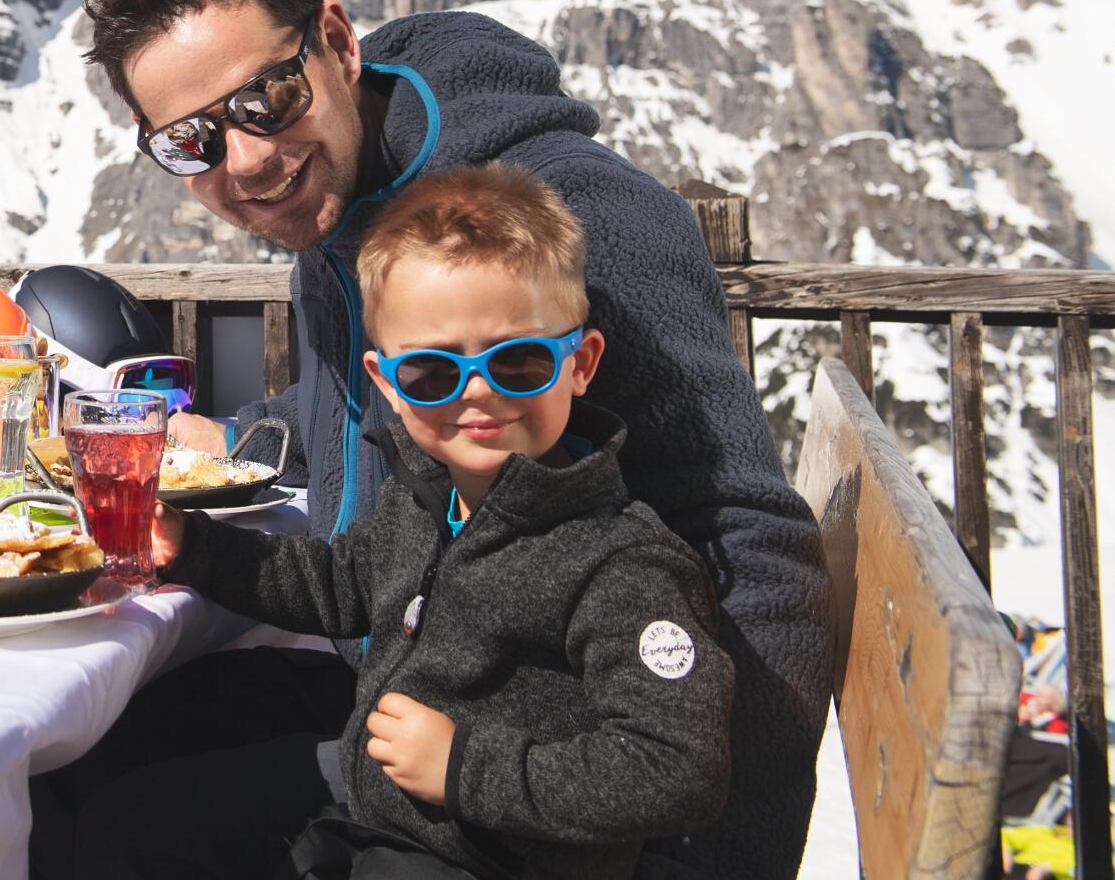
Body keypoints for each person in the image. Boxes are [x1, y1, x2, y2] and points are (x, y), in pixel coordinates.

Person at [37, 0, 829, 880]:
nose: (244, 160)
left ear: (336, 43)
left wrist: (714, 864)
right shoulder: (336, 207)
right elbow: (347, 416)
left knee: (133, 832)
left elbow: (749, 538)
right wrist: (237, 434)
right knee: (69, 754)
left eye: (265, 98)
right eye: (191, 140)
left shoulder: (558, 228)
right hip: (406, 669)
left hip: (526, 766)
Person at [73, 165, 731, 879]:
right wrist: (191, 544)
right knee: (125, 819)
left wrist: (463, 766)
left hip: (483, 858)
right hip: (380, 809)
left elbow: (678, 767)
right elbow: (338, 585)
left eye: (518, 361)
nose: (477, 391)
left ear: (581, 364)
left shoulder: (621, 565)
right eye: (432, 373)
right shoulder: (424, 497)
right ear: (387, 383)